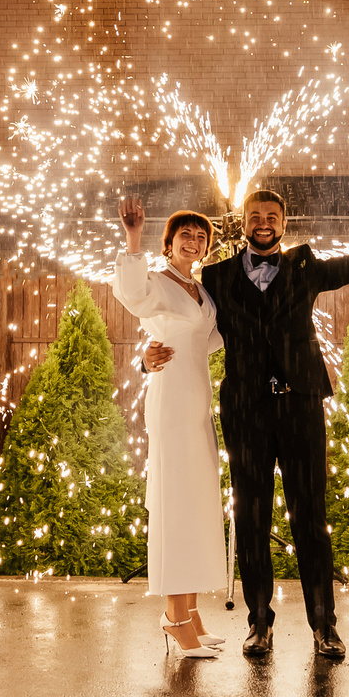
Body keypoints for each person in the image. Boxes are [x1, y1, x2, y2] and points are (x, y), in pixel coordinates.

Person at [145, 188, 349, 660]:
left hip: (301, 407)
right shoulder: (215, 277)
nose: (263, 223)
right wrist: (147, 359)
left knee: (311, 519)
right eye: (255, 216)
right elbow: (180, 323)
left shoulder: (306, 267)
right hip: (246, 414)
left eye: (272, 216)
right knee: (251, 520)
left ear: (283, 224)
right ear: (243, 224)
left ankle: (324, 626)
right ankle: (258, 625)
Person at [113, 197, 229, 659]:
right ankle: (174, 618)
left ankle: (192, 613)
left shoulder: (203, 293)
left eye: (201, 236)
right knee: (177, 507)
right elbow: (131, 292)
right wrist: (132, 236)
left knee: (198, 505)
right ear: (169, 242)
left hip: (198, 410)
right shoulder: (159, 283)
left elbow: (212, 340)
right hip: (171, 406)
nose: (194, 240)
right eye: (186, 233)